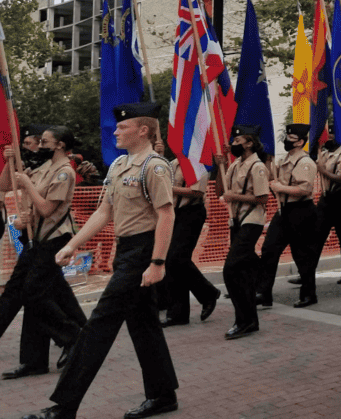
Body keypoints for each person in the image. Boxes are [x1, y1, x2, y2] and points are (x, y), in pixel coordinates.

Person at [24, 103, 178, 419]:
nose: (116, 130)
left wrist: (158, 262)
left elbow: (166, 213)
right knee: (144, 324)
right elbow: (103, 212)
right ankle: (163, 395)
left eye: (122, 127)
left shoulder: (154, 166)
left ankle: (63, 406)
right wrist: (74, 245)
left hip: (143, 251)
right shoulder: (120, 164)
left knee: (99, 325)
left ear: (143, 130)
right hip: (126, 251)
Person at [0, 126, 86, 379]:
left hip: (53, 239)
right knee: (23, 291)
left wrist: (27, 185)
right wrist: (9, 162)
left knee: (34, 292)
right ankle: (33, 360)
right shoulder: (42, 168)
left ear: (59, 145)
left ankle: (72, 336)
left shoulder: (64, 172)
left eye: (45, 141)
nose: (40, 145)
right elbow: (4, 185)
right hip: (35, 239)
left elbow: (47, 209)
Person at [256, 123, 319, 309]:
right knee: (269, 249)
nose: (287, 141)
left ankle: (309, 294)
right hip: (284, 210)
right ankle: (264, 293)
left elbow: (305, 188)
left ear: (300, 142)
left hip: (301, 210)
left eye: (291, 138)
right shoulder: (285, 159)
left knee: (301, 254)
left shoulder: (305, 162)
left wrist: (280, 188)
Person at [216, 124, 269, 340]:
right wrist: (219, 166)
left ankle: (244, 319)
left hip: (252, 220)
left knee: (231, 269)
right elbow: (221, 190)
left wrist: (235, 197)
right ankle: (248, 321)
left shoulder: (257, 167)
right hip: (236, 221)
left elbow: (262, 198)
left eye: (237, 142)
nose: (233, 145)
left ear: (249, 143)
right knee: (243, 273)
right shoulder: (235, 165)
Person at [159, 151, 220, 327]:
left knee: (177, 258)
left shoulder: (198, 164)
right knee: (172, 262)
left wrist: (168, 188)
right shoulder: (172, 164)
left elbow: (197, 192)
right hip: (174, 213)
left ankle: (207, 293)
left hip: (191, 213)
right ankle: (178, 313)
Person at [310, 131, 341, 285]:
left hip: (339, 196)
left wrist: (323, 170)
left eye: (332, 136)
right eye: (327, 136)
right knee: (317, 235)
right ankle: (307, 273)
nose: (329, 138)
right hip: (325, 197)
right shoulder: (323, 153)